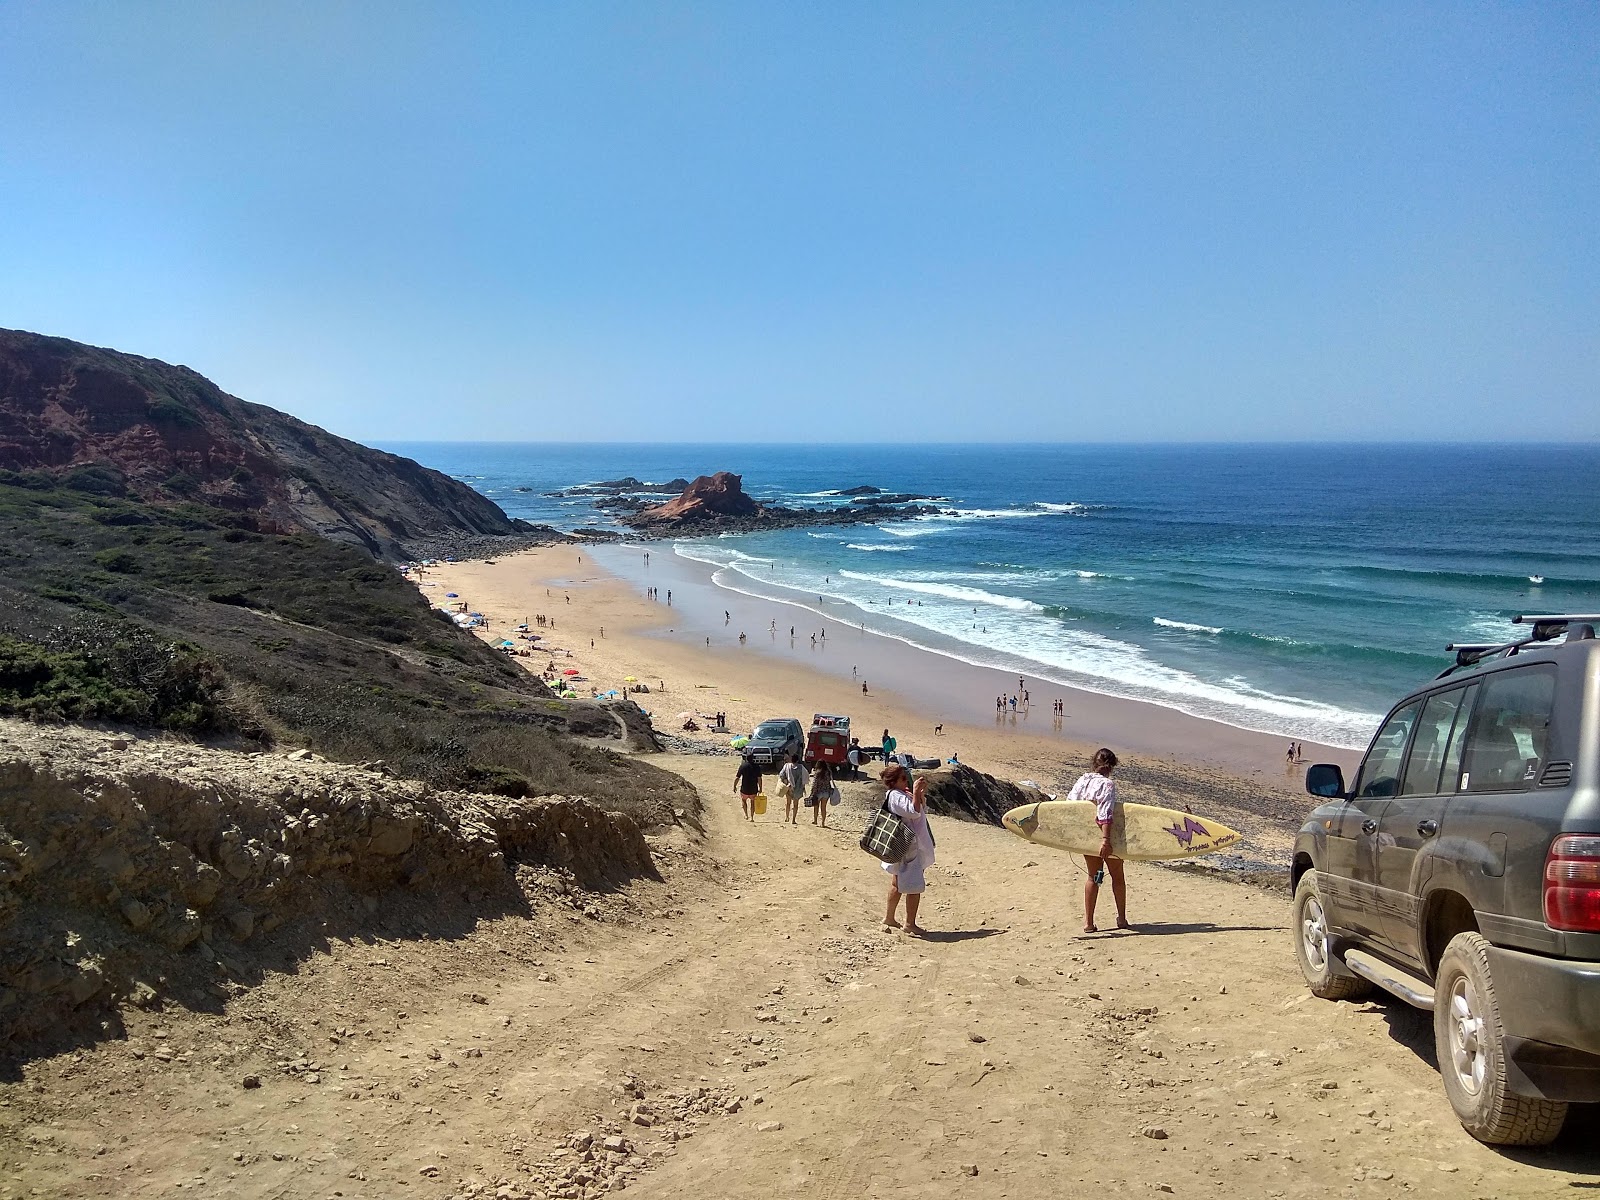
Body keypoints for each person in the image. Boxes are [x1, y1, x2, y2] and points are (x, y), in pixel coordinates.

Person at [1072, 747, 1129, 933]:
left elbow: (1070, 806)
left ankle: (1088, 923)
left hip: (1087, 838)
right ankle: (1121, 919)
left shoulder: (1082, 781)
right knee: (1117, 877)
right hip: (1107, 837)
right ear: (1111, 767)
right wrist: (1106, 839)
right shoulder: (1108, 785)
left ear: (1094, 763)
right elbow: (1105, 813)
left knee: (1093, 877)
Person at [880, 765, 934, 937]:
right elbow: (913, 812)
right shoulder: (896, 796)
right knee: (913, 886)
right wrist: (916, 792)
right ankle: (910, 924)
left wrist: (919, 794)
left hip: (903, 845)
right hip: (908, 847)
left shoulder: (900, 794)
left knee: (897, 883)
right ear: (894, 781)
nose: (907, 781)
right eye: (903, 778)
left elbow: (920, 809)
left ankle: (889, 918)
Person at [778, 753, 808, 825]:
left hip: (789, 787)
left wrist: (785, 782)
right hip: (798, 788)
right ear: (797, 760)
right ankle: (793, 819)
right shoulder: (801, 767)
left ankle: (787, 817)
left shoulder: (787, 766)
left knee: (788, 803)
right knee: (795, 804)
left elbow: (781, 775)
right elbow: (806, 776)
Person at [734, 753, 764, 822]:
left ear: (746, 758)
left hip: (745, 788)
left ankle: (746, 814)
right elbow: (759, 778)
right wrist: (760, 788)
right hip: (753, 788)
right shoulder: (756, 766)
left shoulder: (743, 766)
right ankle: (752, 817)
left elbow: (737, 777)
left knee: (744, 801)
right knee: (752, 802)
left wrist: (734, 786)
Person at [808, 759, 834, 827]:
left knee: (816, 807)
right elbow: (829, 781)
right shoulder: (828, 772)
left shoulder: (817, 773)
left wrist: (812, 793)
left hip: (818, 792)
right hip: (826, 792)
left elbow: (815, 784)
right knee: (823, 808)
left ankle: (815, 820)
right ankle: (823, 823)